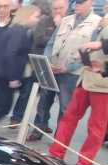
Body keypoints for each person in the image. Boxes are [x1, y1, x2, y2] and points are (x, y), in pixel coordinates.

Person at [29, 0, 100, 138]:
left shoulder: (96, 23)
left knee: (65, 108)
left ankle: (59, 139)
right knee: (43, 102)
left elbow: (91, 54)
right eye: (76, 2)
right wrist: (48, 61)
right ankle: (38, 130)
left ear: (90, 3)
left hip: (72, 74)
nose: (77, 5)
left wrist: (68, 68)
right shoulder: (66, 20)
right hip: (53, 69)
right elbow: (51, 43)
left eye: (81, 2)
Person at [49, 17, 108, 165]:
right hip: (86, 78)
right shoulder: (102, 22)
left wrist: (101, 49)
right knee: (69, 117)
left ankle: (84, 163)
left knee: (96, 126)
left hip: (103, 86)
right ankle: (56, 153)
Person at [0, 5, 39, 129]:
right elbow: (11, 54)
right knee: (2, 108)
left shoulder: (15, 30)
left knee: (0, 107)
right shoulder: (19, 32)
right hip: (4, 76)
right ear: (27, 16)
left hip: (0, 74)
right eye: (36, 16)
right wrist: (13, 78)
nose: (38, 19)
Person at [9, 0, 54, 124]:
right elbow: (38, 39)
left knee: (27, 92)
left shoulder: (52, 21)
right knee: (21, 91)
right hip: (28, 61)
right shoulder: (26, 26)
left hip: (37, 62)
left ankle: (17, 117)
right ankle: (15, 117)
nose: (38, 19)